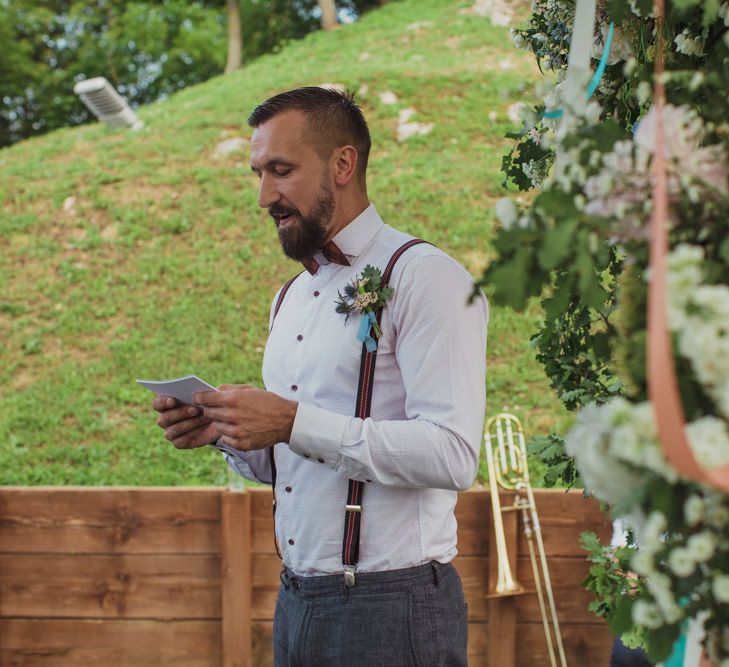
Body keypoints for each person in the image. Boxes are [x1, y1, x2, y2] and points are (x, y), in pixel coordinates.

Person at [152, 86, 488, 666]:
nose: (265, 196)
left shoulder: (426, 278)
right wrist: (226, 433)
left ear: (342, 164)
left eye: (281, 171)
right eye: (258, 173)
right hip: (297, 602)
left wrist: (290, 421)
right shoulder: (290, 298)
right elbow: (295, 462)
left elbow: (454, 455)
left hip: (395, 605)